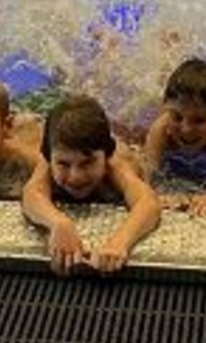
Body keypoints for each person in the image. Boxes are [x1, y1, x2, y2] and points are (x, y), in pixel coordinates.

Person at [21, 94, 160, 275]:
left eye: (87, 163)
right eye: (63, 164)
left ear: (106, 156)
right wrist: (58, 223)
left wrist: (120, 242)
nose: (75, 176)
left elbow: (148, 202)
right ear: (49, 158)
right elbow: (31, 193)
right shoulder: (50, 158)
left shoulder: (116, 164)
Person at [139, 57, 206, 215]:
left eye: (199, 120)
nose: (186, 129)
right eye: (177, 117)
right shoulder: (161, 128)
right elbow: (147, 170)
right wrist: (156, 195)